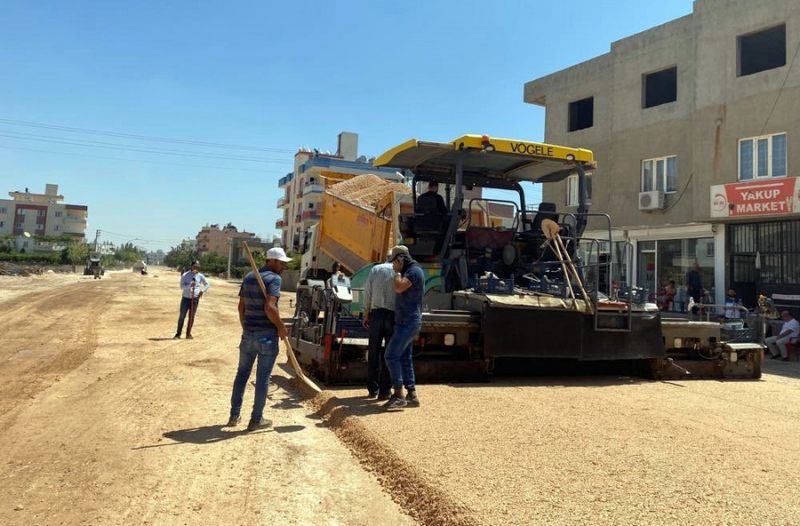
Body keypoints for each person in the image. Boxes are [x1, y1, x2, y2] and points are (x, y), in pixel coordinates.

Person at [228, 247, 291, 431]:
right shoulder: (274, 279)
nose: (283, 267)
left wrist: (245, 327)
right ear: (270, 261)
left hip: (248, 334)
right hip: (266, 337)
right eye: (281, 263)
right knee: (263, 379)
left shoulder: (248, 277)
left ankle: (234, 415)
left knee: (241, 375)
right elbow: (270, 307)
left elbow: (241, 307)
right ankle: (256, 419)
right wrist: (280, 326)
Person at [383, 245, 425, 410]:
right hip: (405, 321)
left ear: (400, 259)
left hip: (408, 322)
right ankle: (412, 394)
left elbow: (399, 287)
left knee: (390, 355)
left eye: (394, 262)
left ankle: (399, 394)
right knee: (404, 358)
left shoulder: (413, 272)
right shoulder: (411, 271)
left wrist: (397, 273)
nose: (392, 266)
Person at [362, 255, 396, 400]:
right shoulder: (398, 271)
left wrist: (365, 313)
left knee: (374, 352)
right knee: (388, 354)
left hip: (376, 315)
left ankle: (372, 389)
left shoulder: (375, 269)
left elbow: (367, 292)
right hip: (393, 315)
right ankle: (385, 391)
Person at [174, 260, 210, 339]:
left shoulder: (200, 276)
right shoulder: (185, 275)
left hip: (195, 299)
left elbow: (207, 284)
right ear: (191, 266)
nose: (196, 268)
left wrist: (202, 291)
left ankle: (188, 334)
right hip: (186, 299)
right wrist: (190, 285)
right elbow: (181, 287)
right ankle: (178, 334)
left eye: (198, 267)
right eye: (195, 266)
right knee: (182, 316)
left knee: (191, 317)